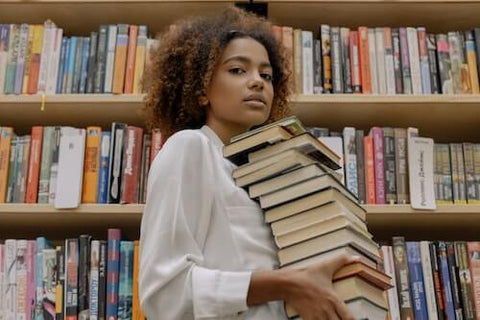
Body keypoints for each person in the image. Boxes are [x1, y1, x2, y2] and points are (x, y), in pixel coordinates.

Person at [139, 6, 358, 320]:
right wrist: (286, 285)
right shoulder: (190, 149)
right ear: (201, 90)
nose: (257, 82)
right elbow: (164, 294)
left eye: (266, 75)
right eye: (238, 70)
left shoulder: (265, 174)